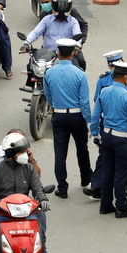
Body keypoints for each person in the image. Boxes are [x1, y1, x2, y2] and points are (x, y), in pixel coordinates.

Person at [85, 50, 127, 198]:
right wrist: (95, 130)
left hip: (126, 125)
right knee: (104, 156)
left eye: (115, 65)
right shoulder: (103, 79)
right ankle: (97, 186)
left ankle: (125, 184)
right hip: (106, 123)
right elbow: (97, 100)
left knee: (125, 158)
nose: (112, 68)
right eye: (110, 65)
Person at [42, 38, 92, 198]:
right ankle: (86, 179)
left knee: (60, 153)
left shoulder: (49, 72)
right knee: (82, 149)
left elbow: (48, 96)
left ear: (58, 53)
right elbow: (84, 101)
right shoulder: (80, 73)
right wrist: (89, 120)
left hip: (59, 115)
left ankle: (62, 188)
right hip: (77, 116)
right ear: (73, 54)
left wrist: (57, 107)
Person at [36, 0, 88, 70]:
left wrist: (80, 43)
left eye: (47, 2)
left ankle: (80, 76)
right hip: (50, 49)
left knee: (80, 61)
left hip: (69, 47)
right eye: (42, 3)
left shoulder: (69, 12)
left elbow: (83, 25)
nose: (44, 5)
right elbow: (39, 31)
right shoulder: (44, 15)